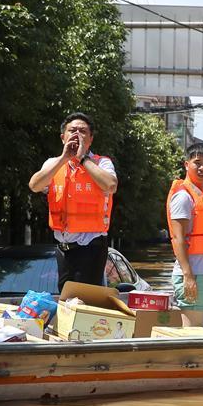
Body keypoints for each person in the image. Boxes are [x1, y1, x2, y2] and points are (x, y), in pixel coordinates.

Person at [28, 112, 118, 291]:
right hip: (64, 248)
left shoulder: (102, 163)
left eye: (83, 131)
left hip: (90, 245)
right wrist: (64, 159)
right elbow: (35, 185)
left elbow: (110, 185)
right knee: (67, 300)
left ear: (90, 139)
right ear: (63, 137)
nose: (77, 134)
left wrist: (83, 158)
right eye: (72, 130)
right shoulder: (54, 163)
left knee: (82, 303)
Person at [166, 142, 203, 327]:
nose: (202, 167)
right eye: (197, 162)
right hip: (191, 275)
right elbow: (178, 238)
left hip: (202, 274)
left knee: (196, 330)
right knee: (191, 332)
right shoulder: (183, 197)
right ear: (186, 164)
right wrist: (188, 276)